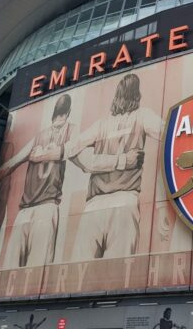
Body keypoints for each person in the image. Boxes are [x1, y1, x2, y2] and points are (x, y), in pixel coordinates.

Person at [66, 73, 162, 260]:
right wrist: (122, 160)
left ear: (116, 96)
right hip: (125, 200)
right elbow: (170, 130)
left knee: (79, 272)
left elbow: (70, 150)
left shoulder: (101, 125)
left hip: (94, 204)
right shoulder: (143, 116)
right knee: (116, 271)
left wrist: (95, 163)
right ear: (137, 95)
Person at [0, 94, 75, 268]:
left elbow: (12, 163)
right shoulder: (71, 131)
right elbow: (83, 159)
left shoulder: (38, 137)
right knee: (37, 272)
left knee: (12, 272)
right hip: (47, 207)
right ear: (68, 112)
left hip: (25, 212)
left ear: (54, 112)